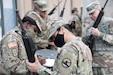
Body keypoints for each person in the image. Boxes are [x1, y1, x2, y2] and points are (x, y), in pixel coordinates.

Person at [26, 19, 93, 75]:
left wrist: (39, 69)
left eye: (54, 37)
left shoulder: (68, 49)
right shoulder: (84, 46)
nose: (54, 40)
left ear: (62, 29)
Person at [82, 1, 113, 75]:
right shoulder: (90, 25)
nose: (91, 16)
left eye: (92, 13)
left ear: (99, 10)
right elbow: (84, 42)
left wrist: (99, 34)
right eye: (89, 14)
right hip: (94, 64)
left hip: (108, 64)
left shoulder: (110, 22)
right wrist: (87, 36)